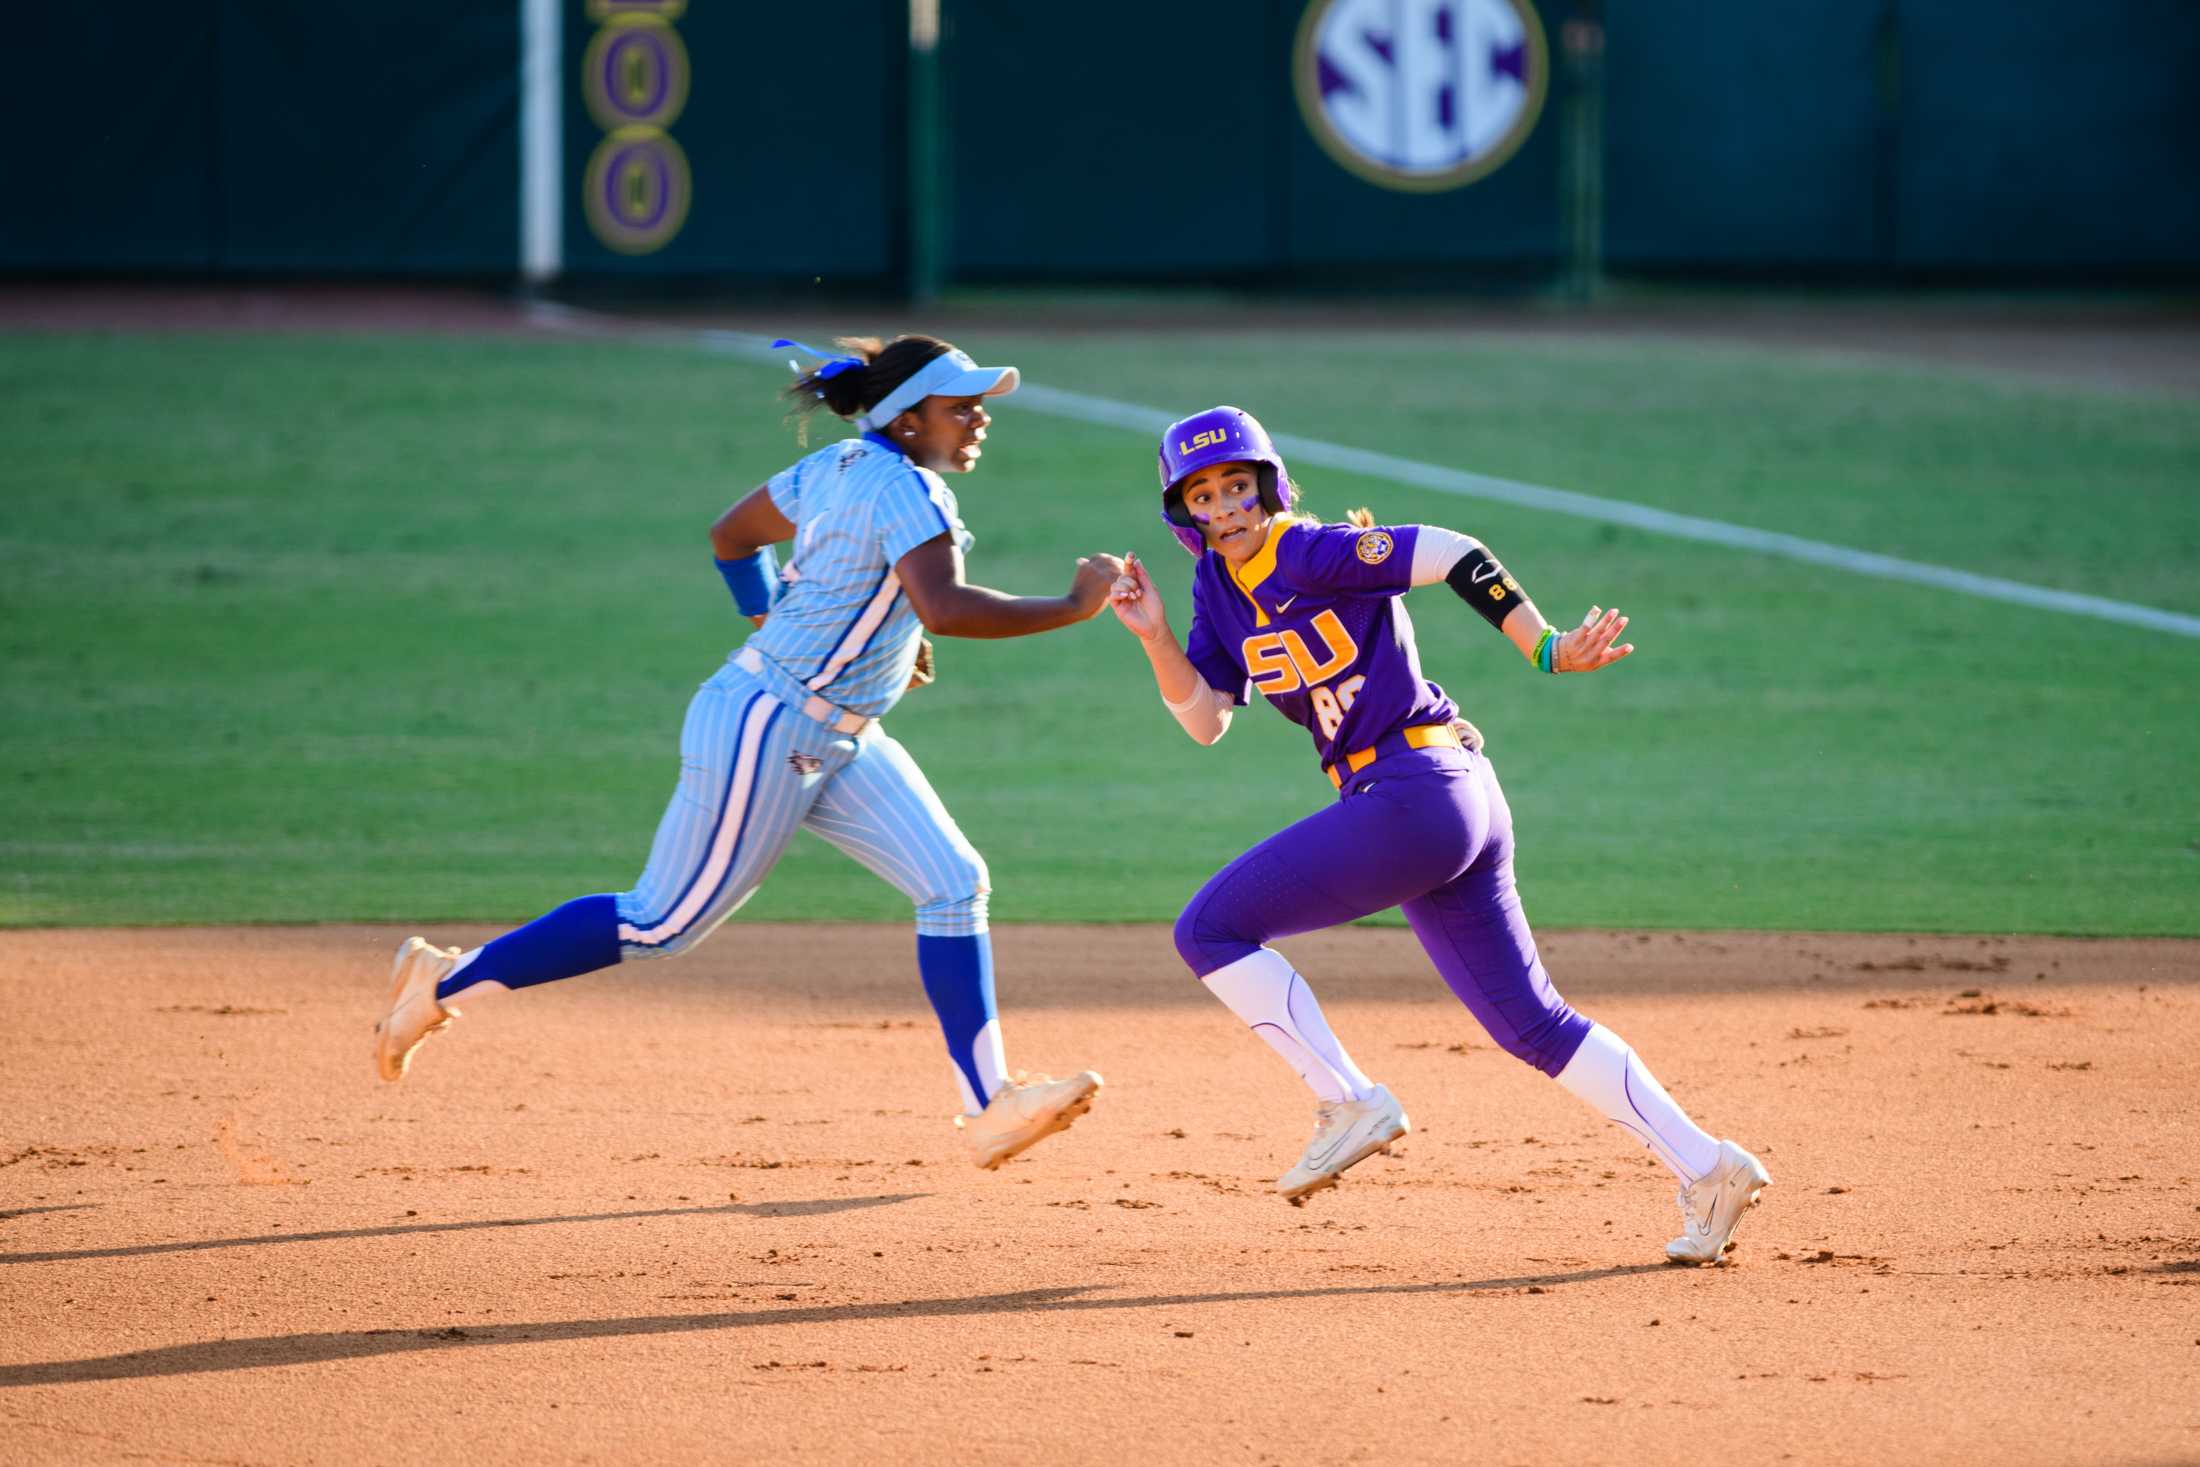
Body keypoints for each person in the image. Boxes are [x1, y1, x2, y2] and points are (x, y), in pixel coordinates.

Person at [374, 334, 1116, 1170]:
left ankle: (993, 1105)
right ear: (908, 420)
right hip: (768, 726)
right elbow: (942, 608)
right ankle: (438, 984)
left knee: (954, 882)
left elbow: (732, 536)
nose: (980, 417)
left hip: (833, 731)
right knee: (661, 921)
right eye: (961, 404)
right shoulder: (911, 489)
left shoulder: (836, 467)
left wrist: (782, 621)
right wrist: (1071, 605)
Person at [1106, 404, 1770, 1263]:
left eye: (1238, 483)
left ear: (1267, 485)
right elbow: (1205, 720)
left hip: (1413, 794)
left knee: (1209, 930)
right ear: (1183, 512)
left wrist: (1545, 647)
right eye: (1204, 493)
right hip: (1435, 800)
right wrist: (1157, 636)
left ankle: (1348, 1099)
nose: (1225, 504)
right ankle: (1709, 1164)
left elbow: (1456, 552)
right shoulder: (1215, 590)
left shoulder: (1308, 549)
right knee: (1532, 1023)